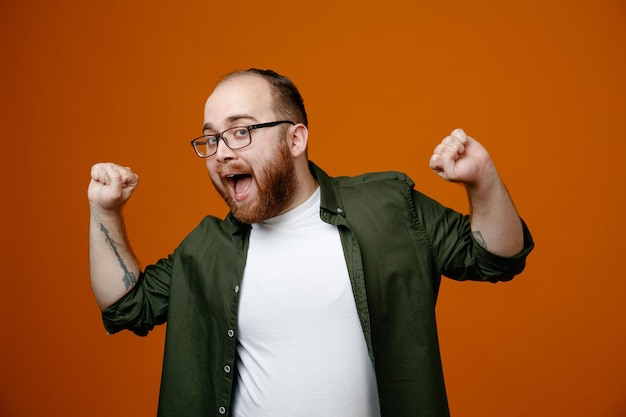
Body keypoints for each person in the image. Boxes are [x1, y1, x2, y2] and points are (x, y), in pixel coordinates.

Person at [88, 68, 534, 417]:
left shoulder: (389, 208)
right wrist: (104, 212)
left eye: (241, 130)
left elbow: (497, 257)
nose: (221, 151)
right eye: (211, 137)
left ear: (295, 137)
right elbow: (126, 305)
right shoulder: (207, 248)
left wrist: (483, 179)